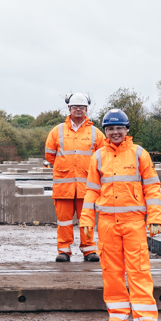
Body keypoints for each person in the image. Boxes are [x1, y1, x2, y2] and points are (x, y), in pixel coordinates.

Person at [80, 109, 161, 321]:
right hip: (107, 224)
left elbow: (152, 188)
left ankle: (146, 320)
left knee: (139, 270)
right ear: (105, 131)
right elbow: (91, 191)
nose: (115, 132)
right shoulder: (98, 156)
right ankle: (117, 316)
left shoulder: (138, 154)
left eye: (119, 128)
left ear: (127, 130)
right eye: (110, 128)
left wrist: (155, 216)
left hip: (134, 222)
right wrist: (86, 219)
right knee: (112, 272)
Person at [44, 92, 104, 262]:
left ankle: (89, 250)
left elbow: (103, 157)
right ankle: (64, 250)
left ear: (86, 109)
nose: (78, 109)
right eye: (75, 107)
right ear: (69, 108)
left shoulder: (95, 133)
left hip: (87, 188)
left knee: (87, 220)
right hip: (63, 187)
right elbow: (50, 155)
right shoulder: (57, 131)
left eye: (82, 107)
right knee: (64, 221)